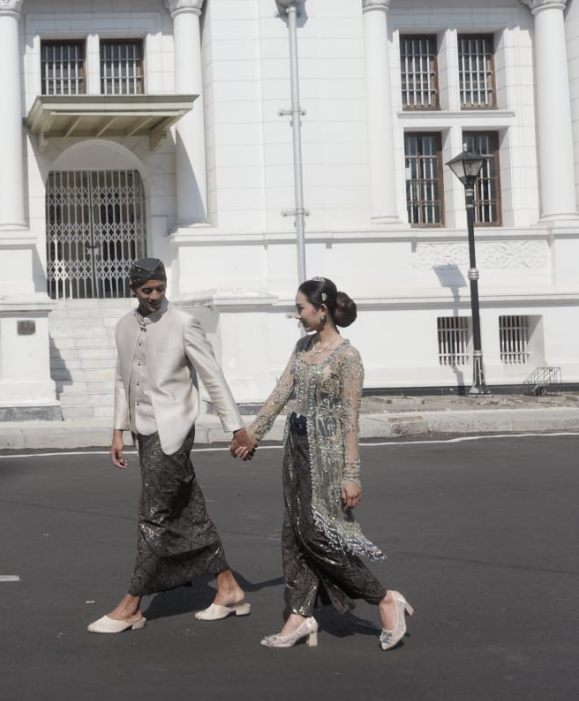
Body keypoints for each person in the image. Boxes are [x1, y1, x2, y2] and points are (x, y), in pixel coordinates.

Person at [230, 276, 413, 651]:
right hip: (295, 451)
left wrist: (352, 475)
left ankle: (383, 598)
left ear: (322, 309)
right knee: (293, 534)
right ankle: (300, 615)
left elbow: (350, 420)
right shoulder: (302, 347)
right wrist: (252, 435)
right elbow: (281, 392)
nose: (297, 315)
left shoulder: (348, 357)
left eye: (301, 308)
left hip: (326, 459)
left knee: (317, 534)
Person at [88, 257, 256, 634]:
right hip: (143, 431)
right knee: (189, 511)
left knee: (154, 516)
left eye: (160, 289)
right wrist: (118, 430)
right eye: (147, 290)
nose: (155, 296)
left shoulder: (183, 323)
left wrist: (236, 427)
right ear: (132, 289)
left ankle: (131, 606)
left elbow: (212, 376)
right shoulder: (123, 326)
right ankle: (228, 588)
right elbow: (121, 380)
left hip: (174, 431)